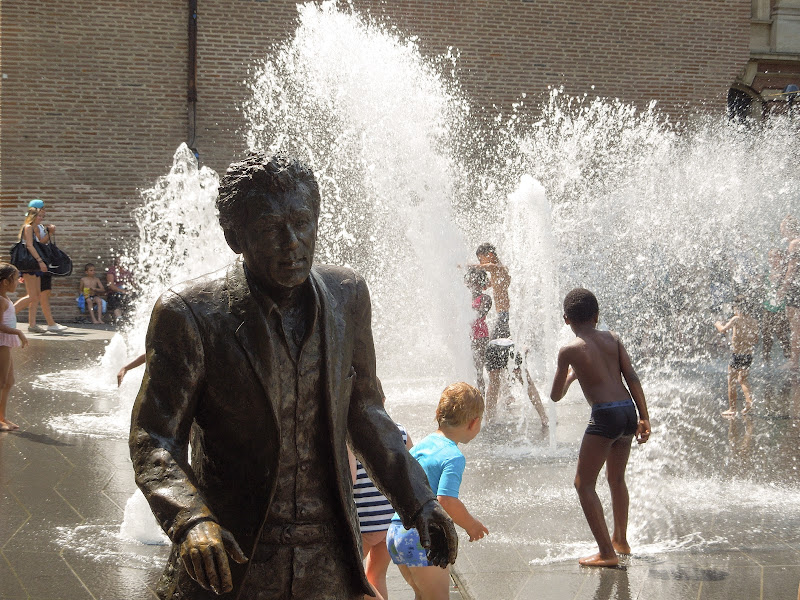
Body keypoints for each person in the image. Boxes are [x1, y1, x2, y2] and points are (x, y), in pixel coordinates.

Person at [129, 152, 457, 600]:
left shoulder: (347, 296)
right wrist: (191, 520)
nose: (291, 243)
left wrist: (418, 500)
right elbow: (154, 436)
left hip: (328, 561)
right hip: (234, 560)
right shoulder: (190, 313)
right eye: (269, 229)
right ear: (234, 237)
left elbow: (364, 410)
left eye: (302, 222)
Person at [550, 288, 651, 568]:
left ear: (566, 319)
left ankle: (606, 552)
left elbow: (555, 396)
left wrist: (570, 377)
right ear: (597, 316)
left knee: (583, 484)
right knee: (616, 479)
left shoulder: (569, 350)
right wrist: (645, 417)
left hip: (605, 415)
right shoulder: (613, 339)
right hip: (628, 411)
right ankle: (621, 540)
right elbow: (631, 376)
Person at [386, 382, 488, 600]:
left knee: (422, 596)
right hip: (423, 537)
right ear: (474, 423)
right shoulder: (453, 456)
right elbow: (446, 500)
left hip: (397, 533)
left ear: (437, 413)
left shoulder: (422, 445)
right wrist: (471, 525)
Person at [348, 380, 414, 600]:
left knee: (352, 578)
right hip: (389, 522)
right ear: (383, 402)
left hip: (363, 523)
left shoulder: (349, 440)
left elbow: (350, 477)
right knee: (376, 575)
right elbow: (411, 474)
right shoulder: (401, 433)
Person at [473, 243, 546, 425]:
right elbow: (486, 284)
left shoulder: (499, 268)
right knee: (501, 370)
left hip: (502, 320)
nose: (480, 262)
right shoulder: (498, 274)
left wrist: (463, 265)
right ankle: (508, 396)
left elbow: (488, 268)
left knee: (497, 369)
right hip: (503, 319)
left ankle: (497, 409)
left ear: (489, 254)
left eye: (480, 258)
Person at [14, 206, 68, 333]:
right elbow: (29, 246)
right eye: (39, 216)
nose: (41, 218)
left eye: (42, 216)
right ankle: (5, 315)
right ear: (32, 216)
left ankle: (32, 325)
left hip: (34, 264)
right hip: (31, 264)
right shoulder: (28, 227)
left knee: (36, 296)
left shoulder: (35, 229)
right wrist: (40, 261)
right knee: (32, 295)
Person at [715, 297, 759, 416]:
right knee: (743, 379)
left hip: (737, 355)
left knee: (732, 381)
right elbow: (756, 339)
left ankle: (732, 409)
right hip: (748, 355)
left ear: (738, 308)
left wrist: (717, 324)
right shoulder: (753, 321)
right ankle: (749, 402)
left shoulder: (736, 319)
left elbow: (723, 330)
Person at [0, 263, 28, 431]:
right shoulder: (0, 300)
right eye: (16, 279)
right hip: (1, 342)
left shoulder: (6, 298)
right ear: (4, 282)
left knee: (9, 382)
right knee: (1, 381)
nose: (18, 282)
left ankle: (2, 416)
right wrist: (18, 332)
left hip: (5, 342)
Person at [465, 266, 492, 396]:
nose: (470, 285)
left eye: (474, 281)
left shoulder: (485, 298)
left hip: (480, 338)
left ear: (480, 283)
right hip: (467, 337)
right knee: (469, 369)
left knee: (479, 371)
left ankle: (481, 400)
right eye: (469, 281)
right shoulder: (464, 298)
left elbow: (480, 314)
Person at [778, 215, 800, 373]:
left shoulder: (794, 243)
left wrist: (783, 289)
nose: (781, 230)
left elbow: (792, 270)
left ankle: (794, 362)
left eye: (782, 227)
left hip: (795, 290)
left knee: (795, 328)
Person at [762, 249, 792, 364]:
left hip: (781, 308)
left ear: (782, 259)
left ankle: (789, 356)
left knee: (781, 333)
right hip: (767, 307)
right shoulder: (767, 272)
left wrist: (780, 278)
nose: (773, 260)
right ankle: (766, 358)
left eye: (776, 257)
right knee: (766, 333)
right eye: (770, 257)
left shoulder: (786, 272)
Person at [106, 256, 134, 323]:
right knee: (115, 298)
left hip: (126, 291)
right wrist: (122, 291)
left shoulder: (127, 271)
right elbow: (111, 285)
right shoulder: (112, 271)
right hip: (114, 291)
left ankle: (131, 318)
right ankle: (119, 318)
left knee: (133, 297)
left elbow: (132, 283)